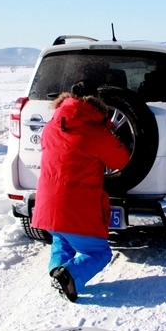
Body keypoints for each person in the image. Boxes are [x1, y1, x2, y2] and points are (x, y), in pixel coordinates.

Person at [31, 79, 131, 302]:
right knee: (99, 253)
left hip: (48, 203)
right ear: (96, 102)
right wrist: (108, 129)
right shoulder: (95, 133)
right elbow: (121, 159)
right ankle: (70, 275)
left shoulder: (51, 126)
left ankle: (57, 275)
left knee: (61, 241)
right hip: (75, 206)